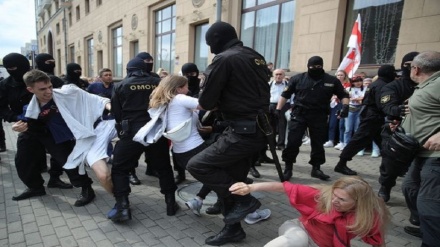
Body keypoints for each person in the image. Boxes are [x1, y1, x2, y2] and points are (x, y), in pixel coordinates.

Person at [186, 21, 269, 246]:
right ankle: (233, 229)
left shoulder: (224, 59)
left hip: (241, 132)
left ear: (217, 39)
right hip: (257, 129)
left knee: (197, 165)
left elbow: (206, 102)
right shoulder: (255, 56)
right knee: (232, 179)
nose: (210, 48)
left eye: (209, 43)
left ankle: (247, 200)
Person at [12, 69, 108, 206]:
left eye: (50, 86)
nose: (48, 92)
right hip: (32, 132)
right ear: (30, 89)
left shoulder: (64, 95)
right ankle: (35, 188)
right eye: (42, 89)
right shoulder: (30, 104)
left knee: (70, 162)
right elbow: (24, 118)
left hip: (57, 135)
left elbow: (87, 97)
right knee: (23, 161)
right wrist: (17, 126)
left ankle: (86, 189)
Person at [108, 57, 178, 222]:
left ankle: (123, 207)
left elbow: (116, 114)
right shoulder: (158, 82)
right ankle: (170, 203)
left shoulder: (120, 85)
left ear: (129, 69)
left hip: (131, 132)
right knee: (164, 167)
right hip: (155, 131)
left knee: (119, 169)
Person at [230, 176, 391, 247]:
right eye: (335, 195)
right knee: (296, 241)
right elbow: (282, 187)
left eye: (342, 199)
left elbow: (378, 242)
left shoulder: (369, 216)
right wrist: (250, 187)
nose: (335, 200)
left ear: (358, 203)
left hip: (325, 244)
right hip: (300, 229)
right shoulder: (324, 196)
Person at [0, 53, 73, 200]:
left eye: (15, 67)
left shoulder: (47, 80)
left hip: (52, 126)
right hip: (28, 128)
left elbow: (69, 96)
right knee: (23, 160)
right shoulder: (5, 85)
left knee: (61, 156)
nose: (12, 70)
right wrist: (15, 119)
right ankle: (35, 187)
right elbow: (2, 107)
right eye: (9, 68)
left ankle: (55, 179)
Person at [276, 56, 349, 181]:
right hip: (300, 114)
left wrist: (346, 106)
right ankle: (288, 168)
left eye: (318, 66)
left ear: (322, 66)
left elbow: (343, 94)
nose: (315, 69)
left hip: (319, 115)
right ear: (308, 66)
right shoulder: (298, 78)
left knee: (318, 144)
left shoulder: (331, 80)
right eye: (312, 66)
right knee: (293, 142)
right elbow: (285, 95)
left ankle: (316, 168)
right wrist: (278, 110)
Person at [400, 51, 440, 245]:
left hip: (436, 157)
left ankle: (432, 237)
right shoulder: (427, 85)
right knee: (409, 187)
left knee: (429, 205)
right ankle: (427, 227)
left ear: (415, 69)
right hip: (420, 152)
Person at [334, 65, 396, 176]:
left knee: (383, 142)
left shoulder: (376, 83)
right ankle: (341, 164)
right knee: (358, 140)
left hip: (372, 116)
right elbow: (381, 103)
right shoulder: (383, 85)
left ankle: (390, 166)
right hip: (373, 117)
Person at [377, 51, 419, 203]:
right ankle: (385, 188)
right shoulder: (394, 86)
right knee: (390, 165)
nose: (415, 69)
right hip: (397, 131)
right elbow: (387, 105)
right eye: (410, 66)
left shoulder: (427, 86)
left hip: (422, 132)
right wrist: (399, 109)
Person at [269, 69, 290, 150]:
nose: (278, 76)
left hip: (284, 106)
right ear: (273, 75)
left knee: (282, 126)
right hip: (271, 105)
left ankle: (281, 144)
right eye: (276, 74)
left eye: (280, 74)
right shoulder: (269, 84)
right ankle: (272, 144)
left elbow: (292, 95)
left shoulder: (288, 85)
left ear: (283, 75)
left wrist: (291, 106)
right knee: (271, 126)